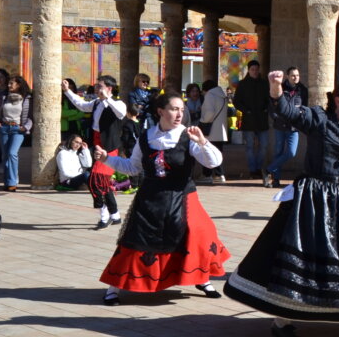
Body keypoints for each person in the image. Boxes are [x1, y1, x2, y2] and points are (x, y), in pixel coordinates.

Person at [224, 73, 339, 337]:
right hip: (313, 201)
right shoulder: (320, 120)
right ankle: (282, 319)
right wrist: (276, 89)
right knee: (302, 259)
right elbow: (288, 112)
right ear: (337, 101)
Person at [93, 92, 230, 306]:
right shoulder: (146, 137)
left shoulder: (188, 135)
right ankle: (114, 287)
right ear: (160, 112)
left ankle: (202, 278)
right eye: (174, 109)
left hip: (183, 195)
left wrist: (203, 141)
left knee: (199, 232)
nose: (179, 114)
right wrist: (107, 159)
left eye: (182, 110)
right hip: (151, 197)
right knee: (137, 240)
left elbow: (213, 162)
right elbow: (132, 167)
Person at [62, 76, 127, 228]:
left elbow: (121, 114)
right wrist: (67, 91)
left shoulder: (117, 103)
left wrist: (108, 99)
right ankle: (115, 215)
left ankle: (104, 216)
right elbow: (82, 105)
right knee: (102, 183)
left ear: (109, 88)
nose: (96, 89)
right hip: (97, 145)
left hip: (109, 148)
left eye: (100, 86)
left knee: (95, 180)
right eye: (97, 86)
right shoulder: (96, 102)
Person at [233, 60, 272, 185]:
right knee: (249, 147)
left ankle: (258, 167)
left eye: (256, 69)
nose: (255, 72)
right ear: (248, 70)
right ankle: (252, 169)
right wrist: (246, 111)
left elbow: (270, 99)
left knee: (264, 146)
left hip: (262, 120)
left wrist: (266, 109)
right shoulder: (242, 84)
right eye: (252, 69)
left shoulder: (264, 84)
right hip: (249, 120)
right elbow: (236, 101)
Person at [268, 66, 307, 188]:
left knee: (291, 152)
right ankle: (275, 179)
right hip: (280, 125)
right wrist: (275, 116)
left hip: (293, 127)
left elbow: (304, 107)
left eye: (298, 75)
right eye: (293, 75)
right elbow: (271, 103)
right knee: (278, 152)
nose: (296, 78)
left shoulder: (303, 90)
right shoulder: (280, 87)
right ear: (287, 76)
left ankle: (269, 169)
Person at [0, 74, 32, 192]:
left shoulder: (26, 98)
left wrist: (25, 127)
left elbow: (30, 116)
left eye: (12, 83)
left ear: (19, 85)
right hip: (4, 128)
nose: (9, 85)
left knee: (12, 153)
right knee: (5, 156)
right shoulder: (3, 96)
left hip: (17, 130)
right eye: (9, 83)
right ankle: (7, 182)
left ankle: (12, 182)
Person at [198, 79, 229, 183]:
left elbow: (210, 113)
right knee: (217, 152)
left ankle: (207, 175)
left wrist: (202, 120)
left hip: (210, 130)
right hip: (220, 130)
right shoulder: (223, 96)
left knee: (207, 152)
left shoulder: (210, 95)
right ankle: (220, 175)